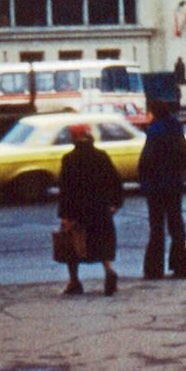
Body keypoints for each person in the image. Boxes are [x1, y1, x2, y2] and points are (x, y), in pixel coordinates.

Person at [57, 123, 124, 296]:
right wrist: (116, 203)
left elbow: (66, 189)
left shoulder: (69, 159)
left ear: (74, 138)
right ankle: (108, 270)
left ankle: (74, 281)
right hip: (100, 208)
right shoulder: (101, 156)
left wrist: (65, 215)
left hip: (78, 210)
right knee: (102, 242)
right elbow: (115, 180)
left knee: (73, 246)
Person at [138, 99, 186, 280]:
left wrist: (144, 179)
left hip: (156, 186)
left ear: (154, 113)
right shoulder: (176, 129)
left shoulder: (154, 132)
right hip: (174, 184)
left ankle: (154, 269)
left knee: (157, 227)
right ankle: (180, 265)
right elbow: (185, 155)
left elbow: (146, 161)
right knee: (176, 224)